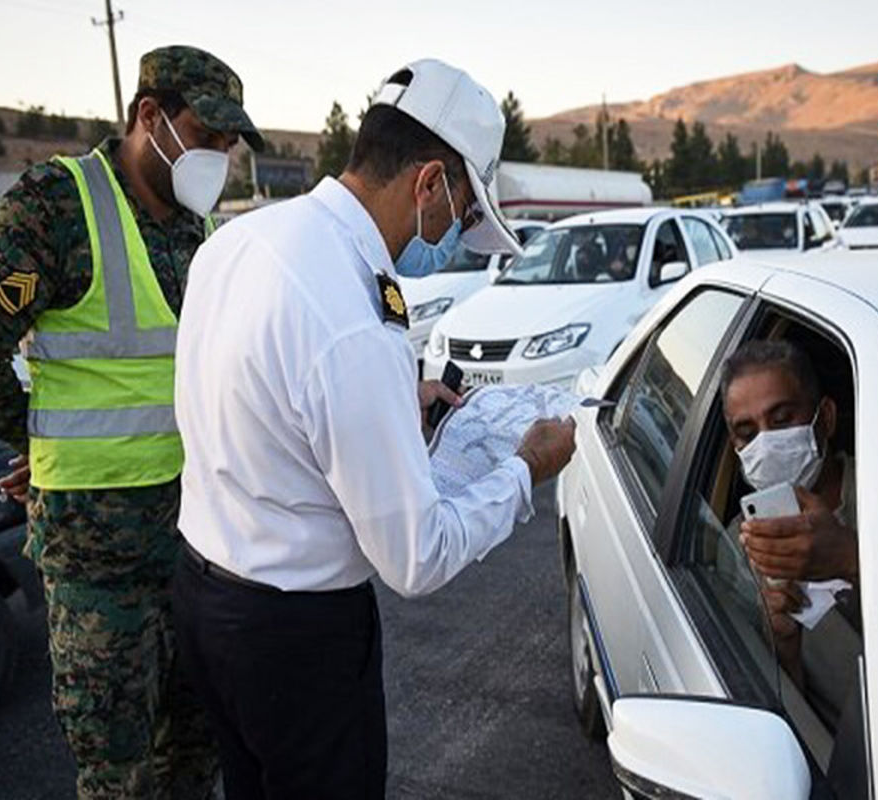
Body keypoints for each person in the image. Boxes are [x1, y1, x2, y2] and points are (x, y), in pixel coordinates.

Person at [170, 58, 577, 799]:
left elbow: (256, 399)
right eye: (462, 212)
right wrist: (526, 470)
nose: (455, 233)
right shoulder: (354, 318)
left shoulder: (239, 241)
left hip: (205, 600)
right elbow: (416, 559)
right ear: (428, 182)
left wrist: (391, 399)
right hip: (296, 643)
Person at [0, 45, 263, 798]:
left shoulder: (193, 228)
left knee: (197, 752)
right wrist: (36, 436)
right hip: (97, 565)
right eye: (206, 135)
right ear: (150, 116)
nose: (218, 155)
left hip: (197, 545)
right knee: (119, 775)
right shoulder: (54, 205)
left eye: (228, 144)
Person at [719, 339, 857, 690]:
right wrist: (783, 643)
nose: (766, 444)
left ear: (825, 418)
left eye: (781, 421)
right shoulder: (743, 544)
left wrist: (851, 557)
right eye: (747, 433)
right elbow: (777, 708)